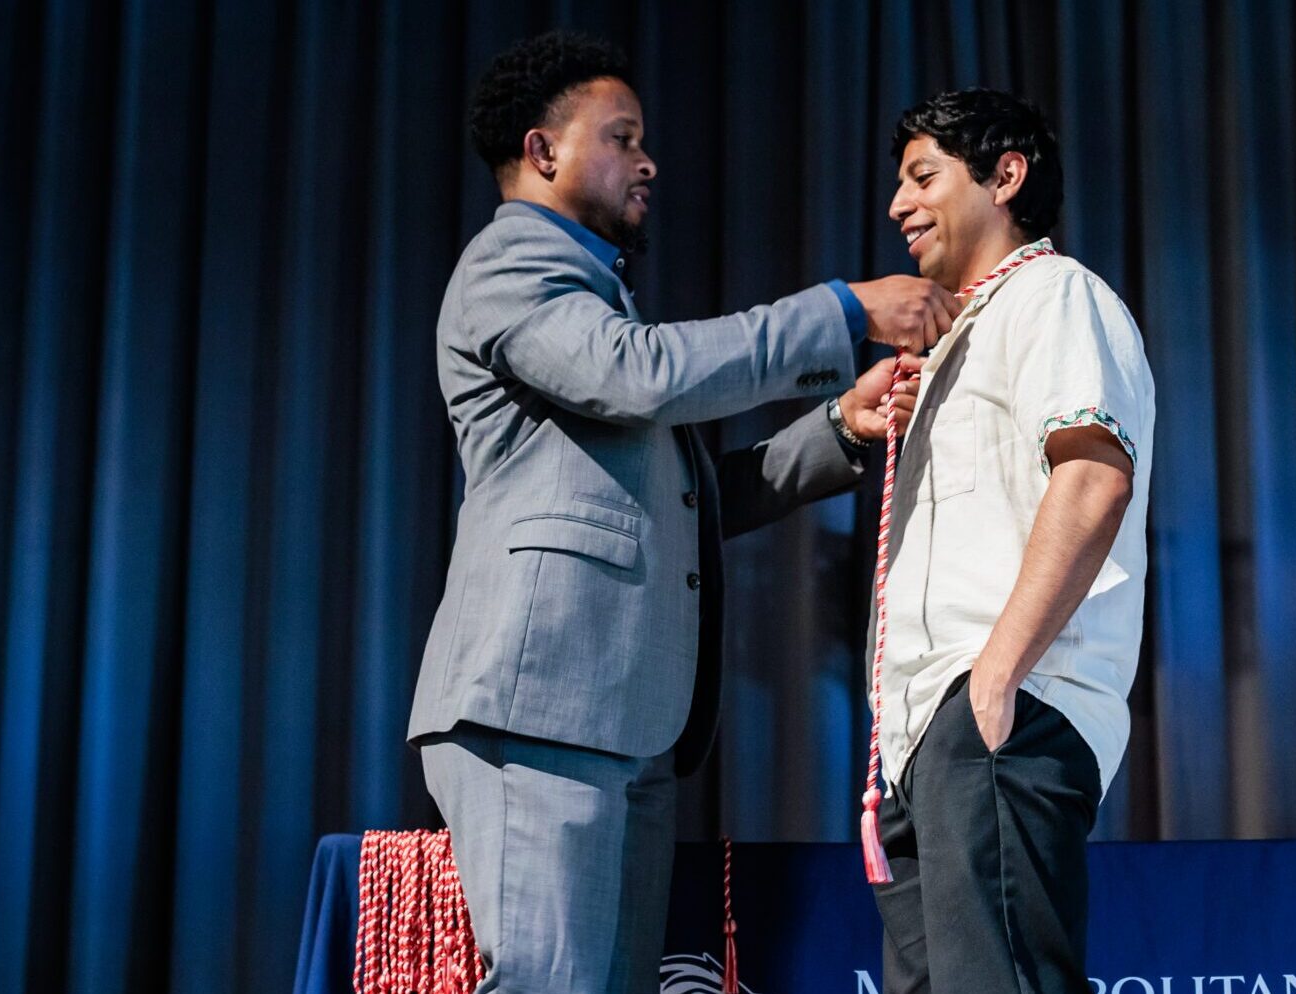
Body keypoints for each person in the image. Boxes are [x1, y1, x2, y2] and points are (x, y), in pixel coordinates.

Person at [404, 31, 956, 993]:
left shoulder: (594, 300)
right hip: (540, 711)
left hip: (625, 721)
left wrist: (842, 427)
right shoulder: (510, 266)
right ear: (542, 153)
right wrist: (841, 309)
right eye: (622, 137)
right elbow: (642, 375)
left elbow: (694, 498)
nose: (648, 158)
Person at [864, 87, 1156, 994]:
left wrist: (994, 677)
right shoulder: (959, 335)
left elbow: (1094, 473)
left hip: (1000, 708)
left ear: (1006, 176)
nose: (898, 206)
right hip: (926, 738)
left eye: (923, 177)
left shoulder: (1054, 294)